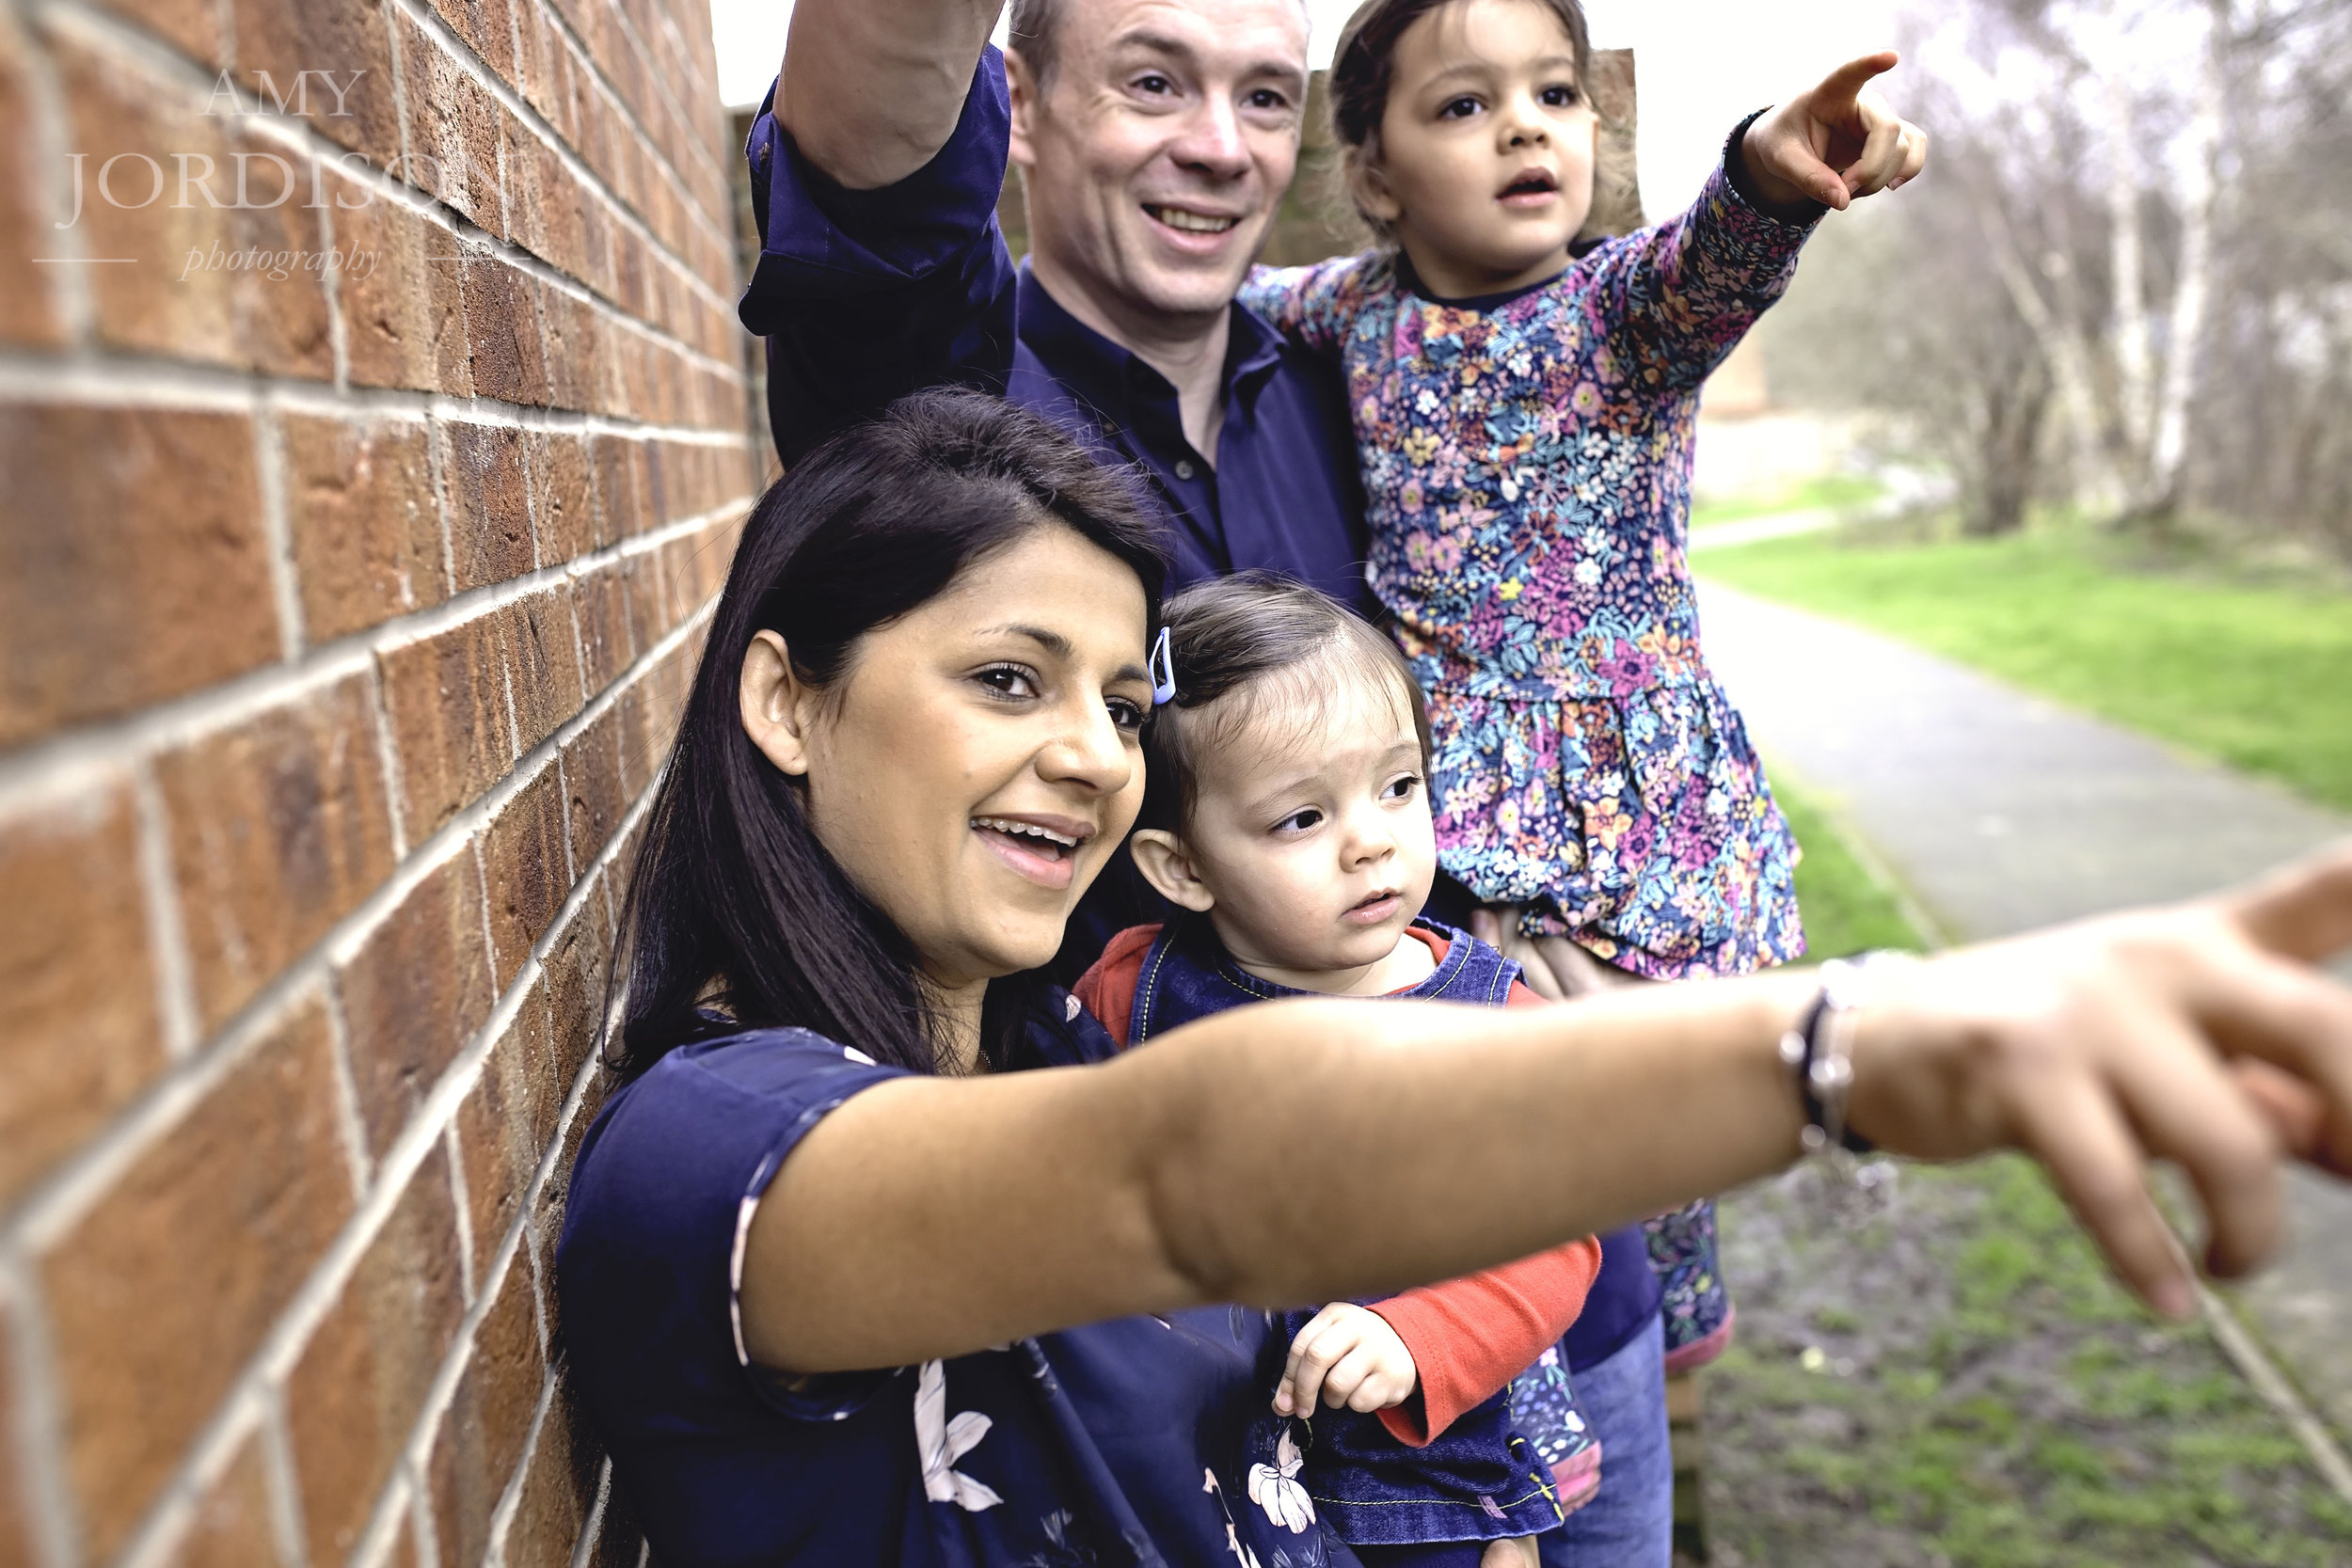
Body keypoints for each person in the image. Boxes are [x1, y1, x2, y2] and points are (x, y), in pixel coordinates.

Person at [556, 388, 2352, 1568]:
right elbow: (1195, 1174)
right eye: (1008, 680)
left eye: (1121, 706)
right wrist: (1842, 1047)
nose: (1101, 759)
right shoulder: (715, 1154)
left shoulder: (1037, 1026)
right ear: (788, 699)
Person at [737, 0, 1923, 1541]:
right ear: (1018, 104)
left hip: (1563, 1265)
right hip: (1245, 1353)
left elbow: (1605, 421)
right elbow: (872, 181)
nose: (1219, 146)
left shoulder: (1356, 366)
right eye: (1154, 83)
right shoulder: (954, 406)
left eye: (1260, 96)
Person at [1234, 0, 1925, 1397]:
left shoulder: (1619, 314)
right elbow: (1218, 309)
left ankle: (1662, 1370)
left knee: (1652, 1135)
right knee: (1506, 1140)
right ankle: (1527, 1385)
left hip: (1636, 819)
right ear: (1373, 176)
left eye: (1554, 94)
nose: (1524, 128)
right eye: (1463, 106)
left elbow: (1714, 260)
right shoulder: (1353, 310)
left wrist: (1770, 173)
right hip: (1467, 819)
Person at [1072, 575, 1606, 1564]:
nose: (1372, 840)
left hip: (1416, 1495)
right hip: (1196, 1484)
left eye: (1399, 786)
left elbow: (1556, 1241)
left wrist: (1423, 1334)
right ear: (1182, 866)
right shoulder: (1134, 993)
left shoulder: (1488, 1021)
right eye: (1301, 819)